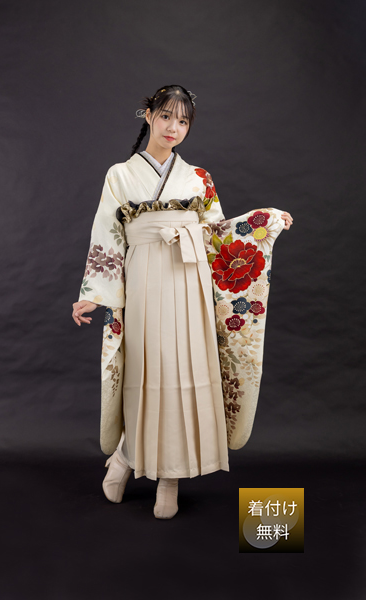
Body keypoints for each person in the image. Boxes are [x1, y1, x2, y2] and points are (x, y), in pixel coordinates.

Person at [72, 85, 293, 520]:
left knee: (183, 373)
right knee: (148, 371)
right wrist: (94, 295)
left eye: (183, 121)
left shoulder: (199, 178)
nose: (173, 127)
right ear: (149, 115)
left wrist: (262, 223)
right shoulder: (120, 175)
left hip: (189, 280)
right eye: (166, 116)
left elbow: (217, 236)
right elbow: (107, 235)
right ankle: (127, 457)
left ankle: (168, 480)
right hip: (143, 278)